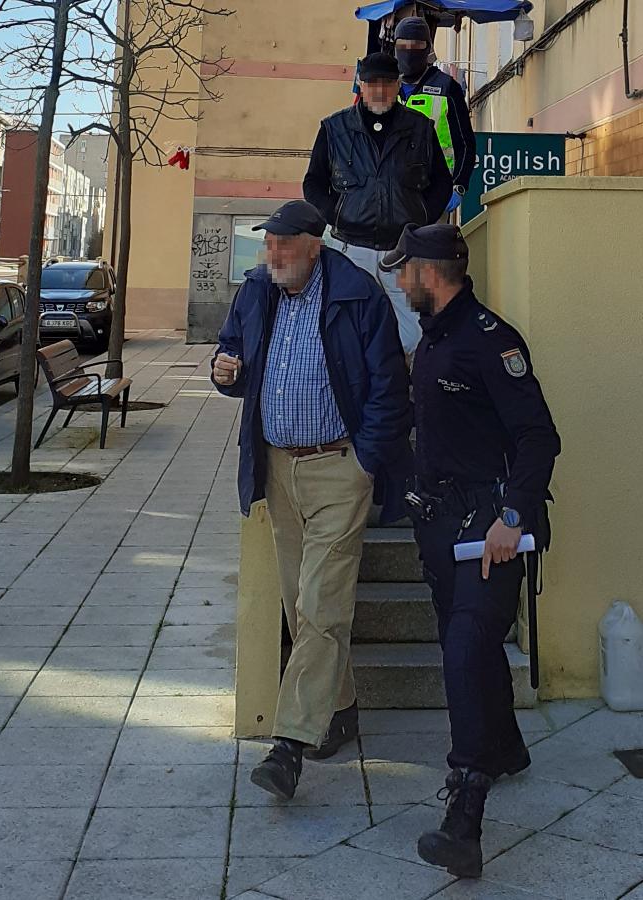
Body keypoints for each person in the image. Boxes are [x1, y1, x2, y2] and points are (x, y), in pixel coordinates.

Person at [211, 200, 412, 801]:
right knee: (303, 608)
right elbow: (233, 358)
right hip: (278, 467)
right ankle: (341, 708)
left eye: (284, 246)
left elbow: (388, 388)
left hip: (337, 471)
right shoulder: (256, 291)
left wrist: (365, 463)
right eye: (268, 245)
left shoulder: (359, 297)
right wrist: (224, 371)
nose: (272, 255)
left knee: (323, 603)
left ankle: (290, 744)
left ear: (314, 246)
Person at [379, 223, 560, 878]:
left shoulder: (491, 341)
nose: (400, 283)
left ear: (430, 273)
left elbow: (539, 436)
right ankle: (505, 747)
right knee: (471, 647)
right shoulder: (432, 340)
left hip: (489, 529)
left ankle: (464, 816)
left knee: (465, 650)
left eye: (405, 273)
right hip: (440, 526)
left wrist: (513, 517)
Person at [303, 51, 453, 355]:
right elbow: (313, 183)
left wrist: (422, 219)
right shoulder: (334, 129)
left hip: (403, 250)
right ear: (361, 84)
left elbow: (441, 183)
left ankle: (391, 373)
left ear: (398, 85)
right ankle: (362, 382)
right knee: (347, 324)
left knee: (416, 331)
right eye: (372, 83)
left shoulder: (420, 129)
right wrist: (337, 216)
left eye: (386, 82)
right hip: (350, 248)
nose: (379, 90)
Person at [393, 17, 477, 214]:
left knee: (428, 244)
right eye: (402, 45)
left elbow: (465, 143)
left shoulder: (447, 87)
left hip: (435, 191)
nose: (409, 51)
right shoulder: (385, 87)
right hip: (393, 194)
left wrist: (459, 185)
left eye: (416, 45)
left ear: (427, 48)